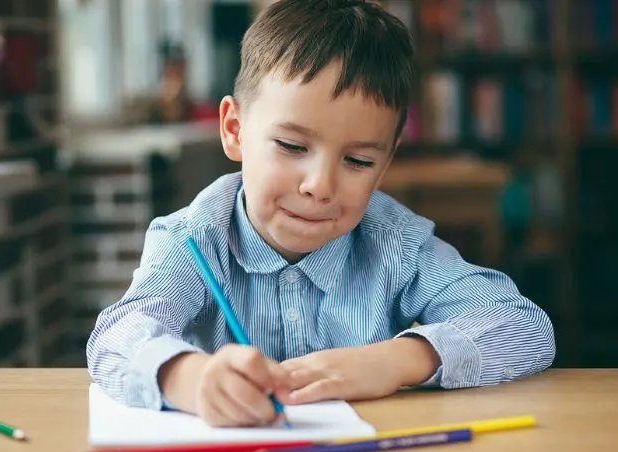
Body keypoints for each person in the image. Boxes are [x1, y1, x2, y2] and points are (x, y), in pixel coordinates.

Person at [87, 0, 555, 428]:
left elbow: (523, 325)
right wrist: (190, 378)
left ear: (385, 163)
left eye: (358, 161)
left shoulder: (395, 243)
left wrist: (395, 361)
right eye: (292, 146)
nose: (320, 186)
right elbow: (115, 339)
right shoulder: (194, 240)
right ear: (234, 130)